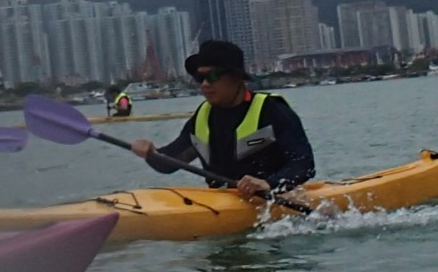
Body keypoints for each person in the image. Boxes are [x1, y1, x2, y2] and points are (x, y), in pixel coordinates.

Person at [130, 40, 315, 198]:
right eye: (199, 77)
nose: (204, 84)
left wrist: (269, 183)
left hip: (271, 199)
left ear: (237, 77)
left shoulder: (273, 110)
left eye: (212, 76)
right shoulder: (201, 117)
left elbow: (304, 164)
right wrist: (151, 153)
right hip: (222, 201)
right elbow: (169, 164)